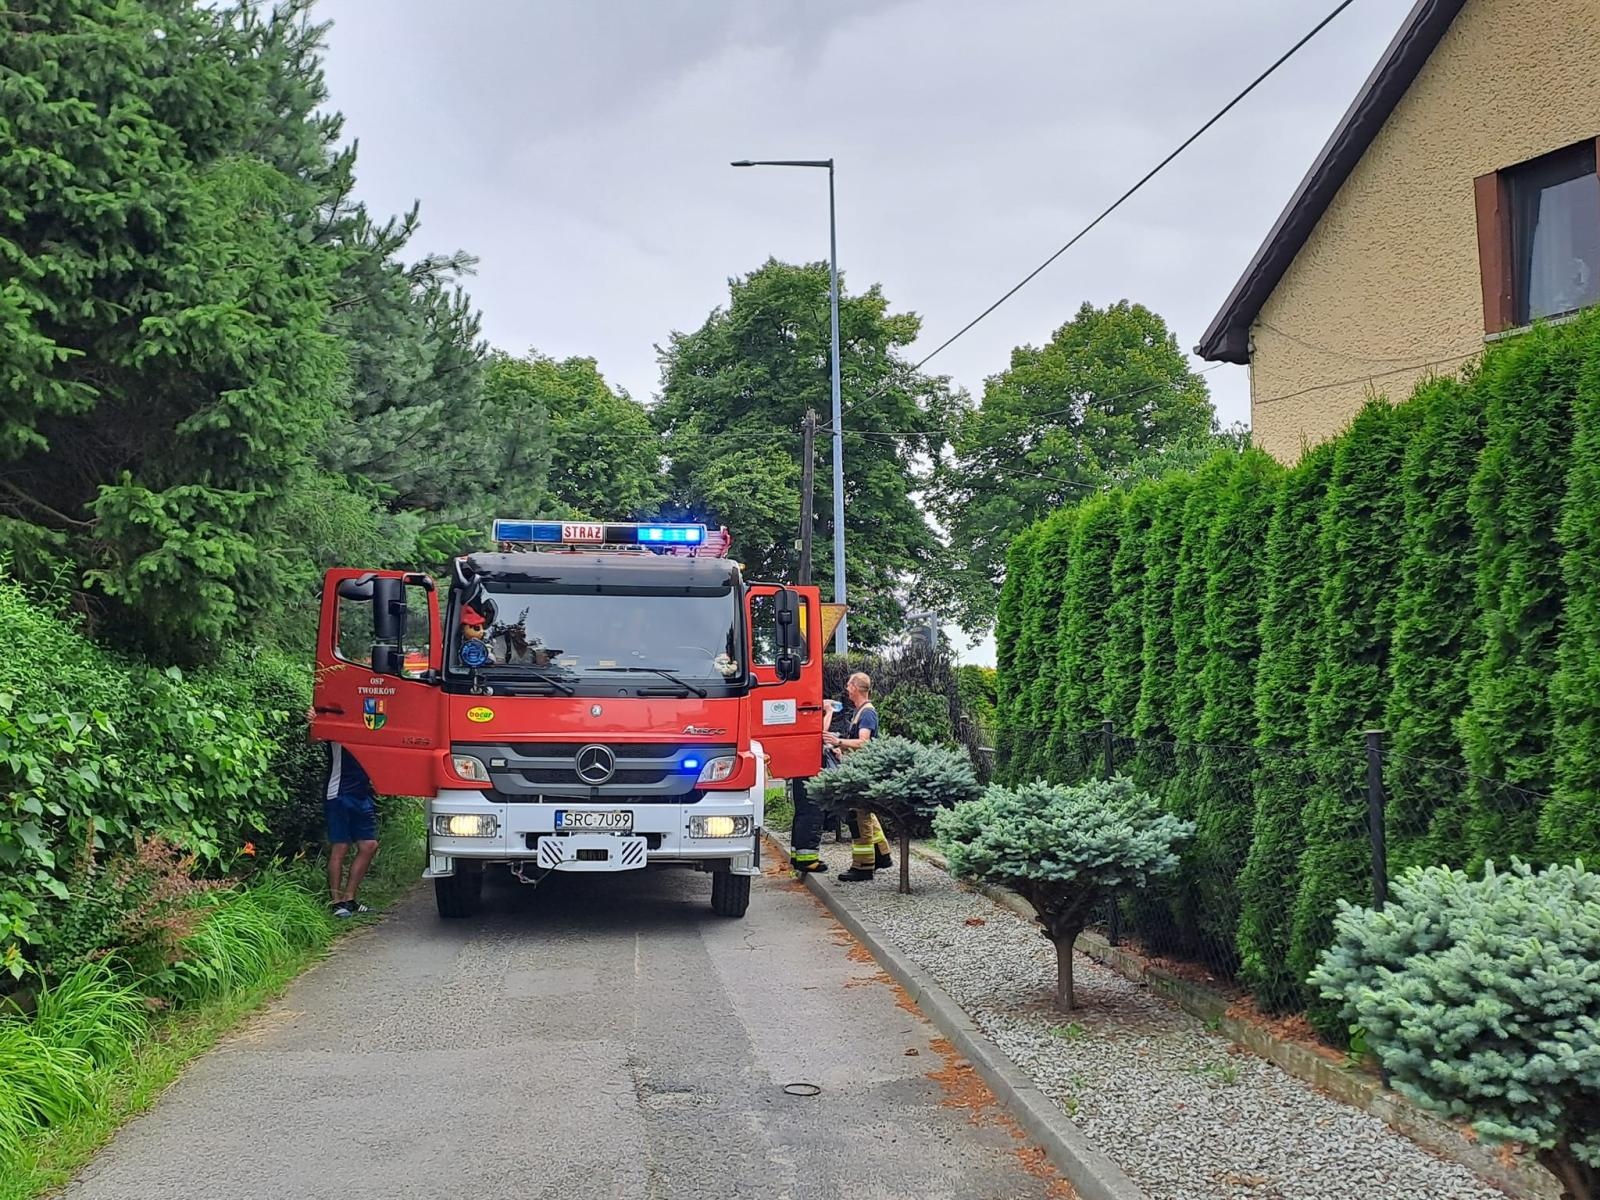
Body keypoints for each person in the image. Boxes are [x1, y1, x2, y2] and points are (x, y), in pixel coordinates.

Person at [307, 708, 380, 917]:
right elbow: (312, 740)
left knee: (369, 845)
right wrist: (314, 723)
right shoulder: (336, 720)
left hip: (361, 793)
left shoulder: (368, 720)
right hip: (338, 792)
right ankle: (336, 902)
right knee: (340, 846)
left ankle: (350, 899)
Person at [824, 672, 893, 882]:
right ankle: (882, 854)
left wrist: (838, 742)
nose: (846, 688)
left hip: (862, 772)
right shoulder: (860, 711)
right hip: (859, 769)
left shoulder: (867, 713)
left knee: (858, 817)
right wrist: (842, 749)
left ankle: (863, 866)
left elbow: (864, 742)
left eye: (848, 685)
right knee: (866, 813)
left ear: (855, 687)